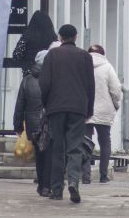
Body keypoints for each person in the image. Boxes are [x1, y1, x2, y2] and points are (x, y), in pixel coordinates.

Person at [39, 24, 95, 203]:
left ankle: (56, 189)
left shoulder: (52, 55)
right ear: (76, 37)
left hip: (56, 107)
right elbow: (90, 86)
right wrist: (89, 109)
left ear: (59, 37)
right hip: (78, 108)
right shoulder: (85, 56)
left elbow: (44, 83)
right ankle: (73, 181)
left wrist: (46, 105)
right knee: (75, 147)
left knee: (57, 148)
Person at [13, 49, 52, 197]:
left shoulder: (27, 80)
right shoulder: (55, 78)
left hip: (33, 123)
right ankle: (47, 186)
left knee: (39, 154)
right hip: (50, 121)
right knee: (50, 154)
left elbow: (20, 105)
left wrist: (17, 126)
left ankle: (41, 184)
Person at [81, 44, 121, 185]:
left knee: (84, 143)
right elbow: (115, 89)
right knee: (105, 142)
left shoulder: (82, 66)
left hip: (85, 109)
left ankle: (85, 176)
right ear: (103, 54)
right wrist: (116, 105)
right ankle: (103, 175)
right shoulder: (107, 67)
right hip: (104, 109)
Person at [12, 10, 58, 75]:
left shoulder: (27, 36)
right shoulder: (53, 37)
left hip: (30, 73)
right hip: (48, 74)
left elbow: (17, 54)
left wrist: (25, 62)